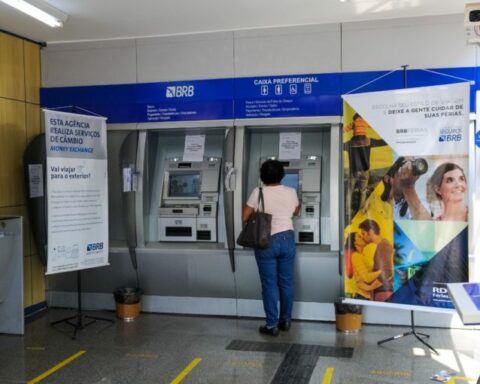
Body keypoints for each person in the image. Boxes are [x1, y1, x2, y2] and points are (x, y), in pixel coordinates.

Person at [242, 159, 300, 336]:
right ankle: (286, 320)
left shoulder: (258, 192)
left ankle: (271, 325)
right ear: (282, 175)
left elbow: (245, 216)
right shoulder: (291, 191)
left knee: (269, 284)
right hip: (287, 238)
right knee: (286, 282)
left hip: (266, 240)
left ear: (262, 176)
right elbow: (296, 211)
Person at [343, 113, 387, 217]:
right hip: (365, 171)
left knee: (349, 191)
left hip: (353, 171)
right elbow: (382, 142)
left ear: (353, 127)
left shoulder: (349, 144)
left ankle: (347, 212)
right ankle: (361, 212)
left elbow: (338, 143)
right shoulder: (369, 141)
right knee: (363, 192)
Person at [359, 219, 393, 301]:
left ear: (370, 232)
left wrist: (368, 287)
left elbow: (387, 272)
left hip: (383, 293)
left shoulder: (383, 245)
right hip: (382, 292)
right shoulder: (382, 245)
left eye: (363, 233)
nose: (363, 237)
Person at [344, 232, 382, 300]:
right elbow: (366, 278)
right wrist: (381, 272)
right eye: (359, 236)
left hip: (365, 296)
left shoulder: (361, 256)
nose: (362, 238)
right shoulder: (356, 256)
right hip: (362, 296)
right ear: (354, 242)